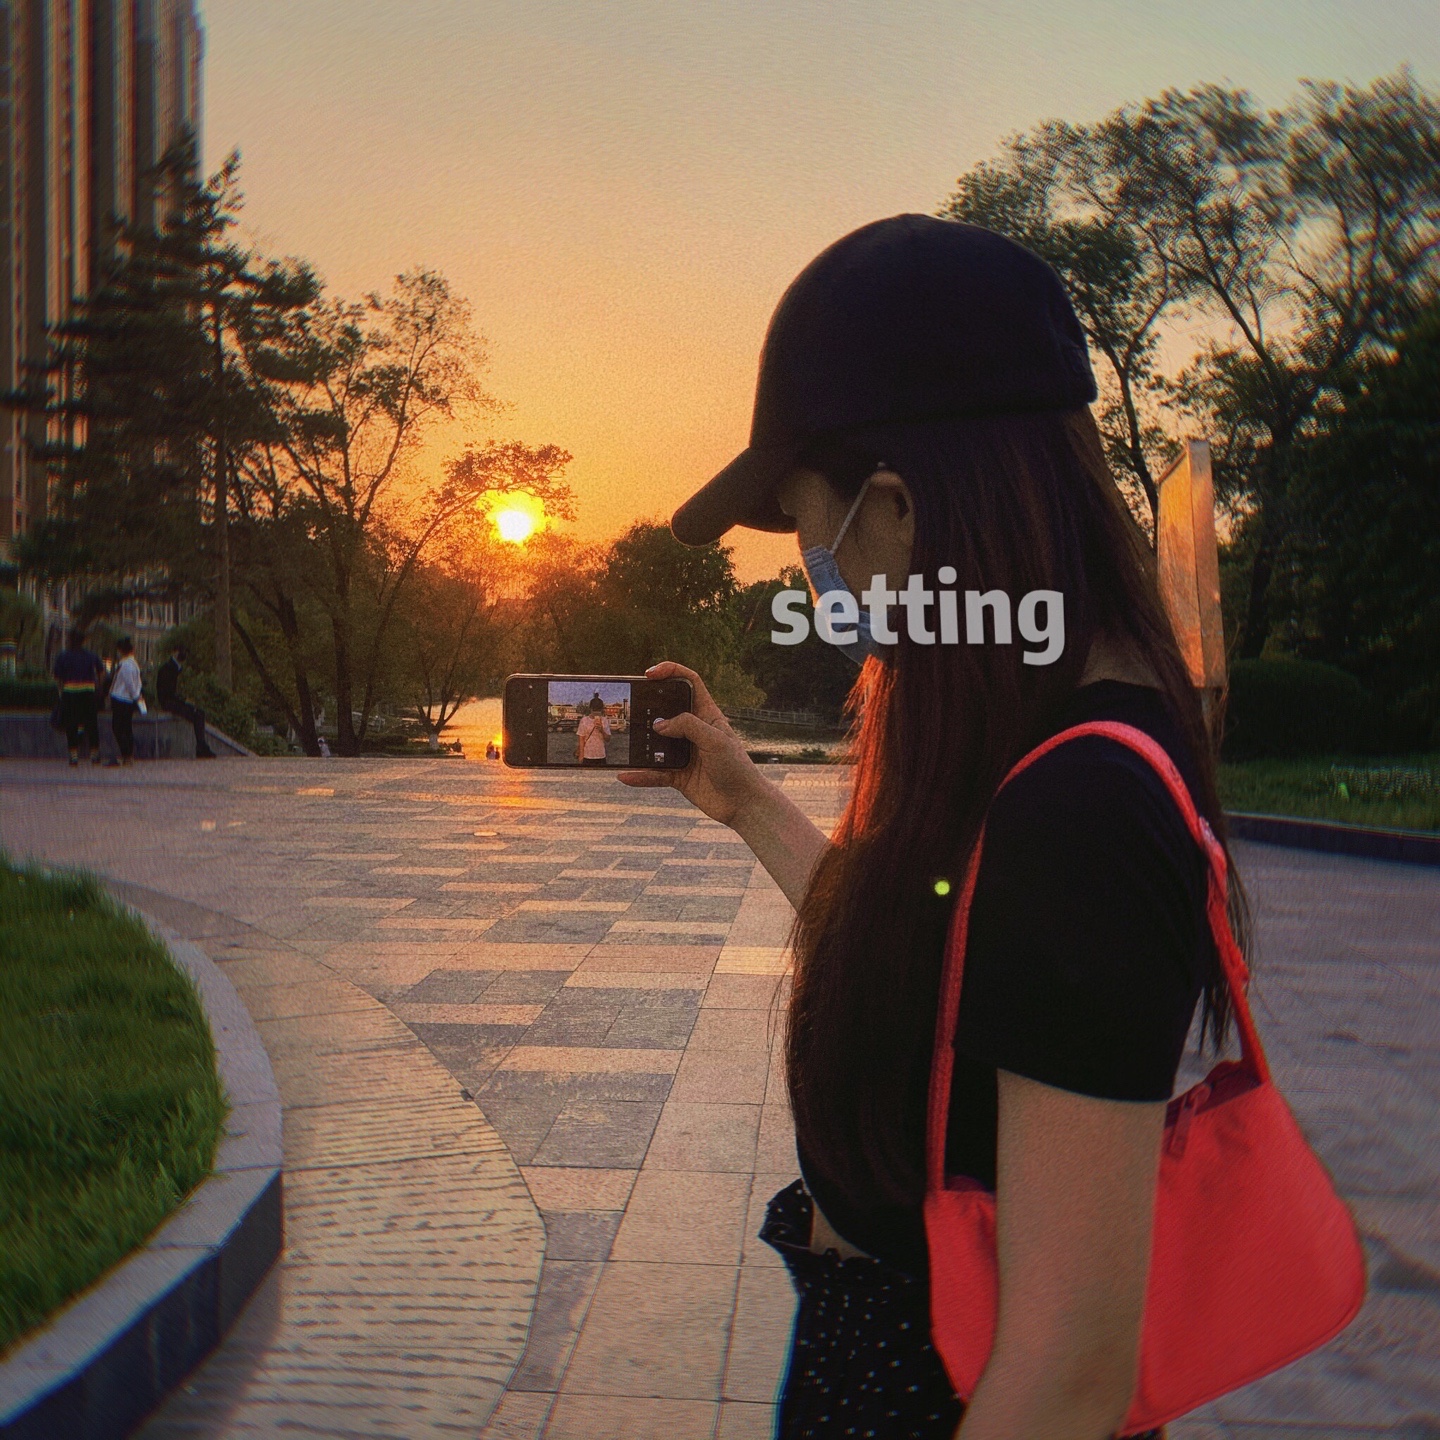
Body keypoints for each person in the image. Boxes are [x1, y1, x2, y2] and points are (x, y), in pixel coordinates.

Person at [622, 217, 1244, 1440]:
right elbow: (944, 961)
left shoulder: (1085, 807)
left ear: (900, 511)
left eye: (811, 533)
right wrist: (746, 797)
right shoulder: (1015, 735)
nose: (812, 578)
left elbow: (1068, 1372)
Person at [53, 627, 105, 766]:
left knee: (71, 724)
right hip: (88, 692)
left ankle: (74, 756)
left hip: (70, 692)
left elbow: (57, 677)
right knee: (91, 724)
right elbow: (101, 671)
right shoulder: (91, 656)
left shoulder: (63, 656)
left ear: (70, 640)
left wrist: (61, 690)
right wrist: (98, 686)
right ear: (83, 641)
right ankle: (94, 754)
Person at [156, 644, 216, 758]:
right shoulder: (168, 669)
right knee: (196, 714)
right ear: (174, 652)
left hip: (171, 700)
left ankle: (201, 745)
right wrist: (183, 700)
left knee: (199, 713)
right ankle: (201, 747)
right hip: (169, 702)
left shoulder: (174, 667)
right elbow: (168, 692)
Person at [107, 636, 144, 766]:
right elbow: (138, 683)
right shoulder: (133, 664)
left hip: (121, 698)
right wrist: (137, 695)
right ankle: (128, 755)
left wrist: (135, 696)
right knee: (126, 728)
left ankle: (126, 754)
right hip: (127, 699)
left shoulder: (126, 665)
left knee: (118, 728)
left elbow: (129, 683)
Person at [575, 694, 612, 766]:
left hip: (600, 755)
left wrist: (602, 730)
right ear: (591, 709)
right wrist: (581, 755)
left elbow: (608, 739)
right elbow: (581, 739)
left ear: (601, 710)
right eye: (595, 710)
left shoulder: (604, 720)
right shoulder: (584, 720)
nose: (596, 712)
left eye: (598, 710)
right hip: (587, 755)